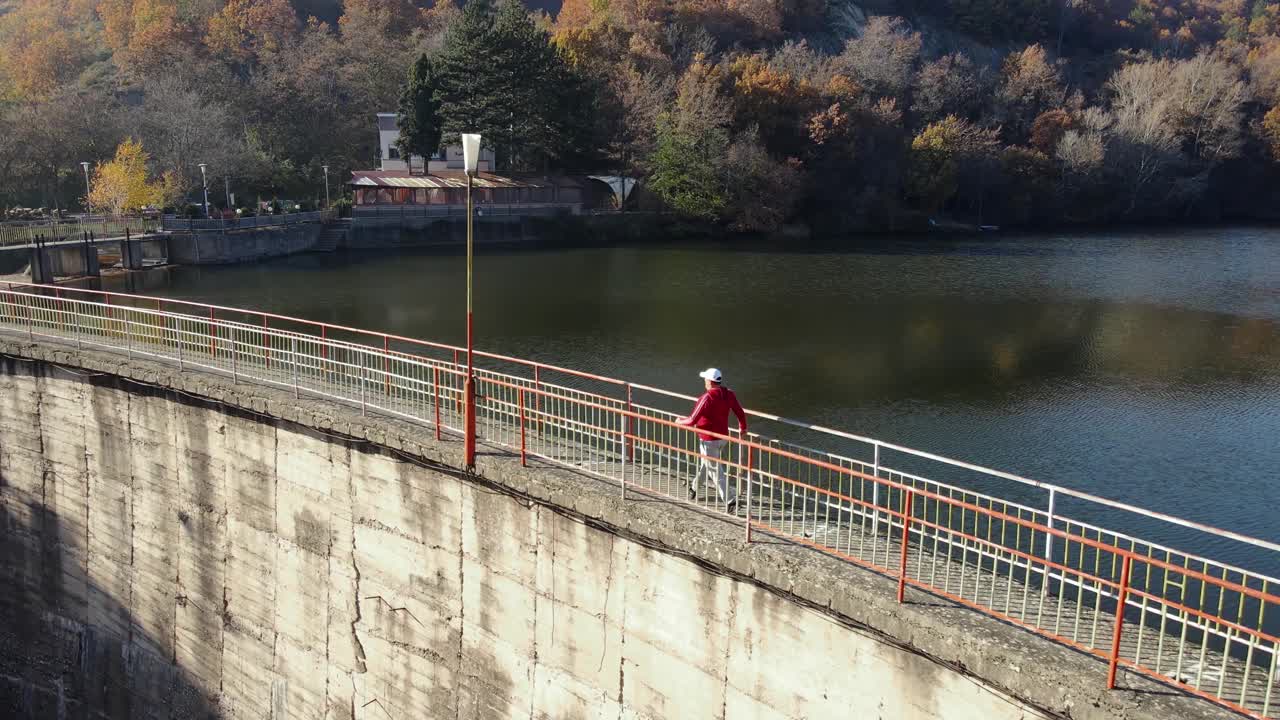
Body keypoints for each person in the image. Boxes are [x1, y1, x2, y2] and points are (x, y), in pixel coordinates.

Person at [677, 368, 748, 512]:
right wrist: (743, 428)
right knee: (707, 465)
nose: (704, 382)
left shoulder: (706, 398)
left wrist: (679, 421)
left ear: (709, 381)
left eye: (705, 379)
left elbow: (692, 420)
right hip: (722, 438)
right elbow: (740, 412)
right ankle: (694, 487)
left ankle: (730, 500)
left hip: (708, 440)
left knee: (715, 471)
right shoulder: (728, 394)